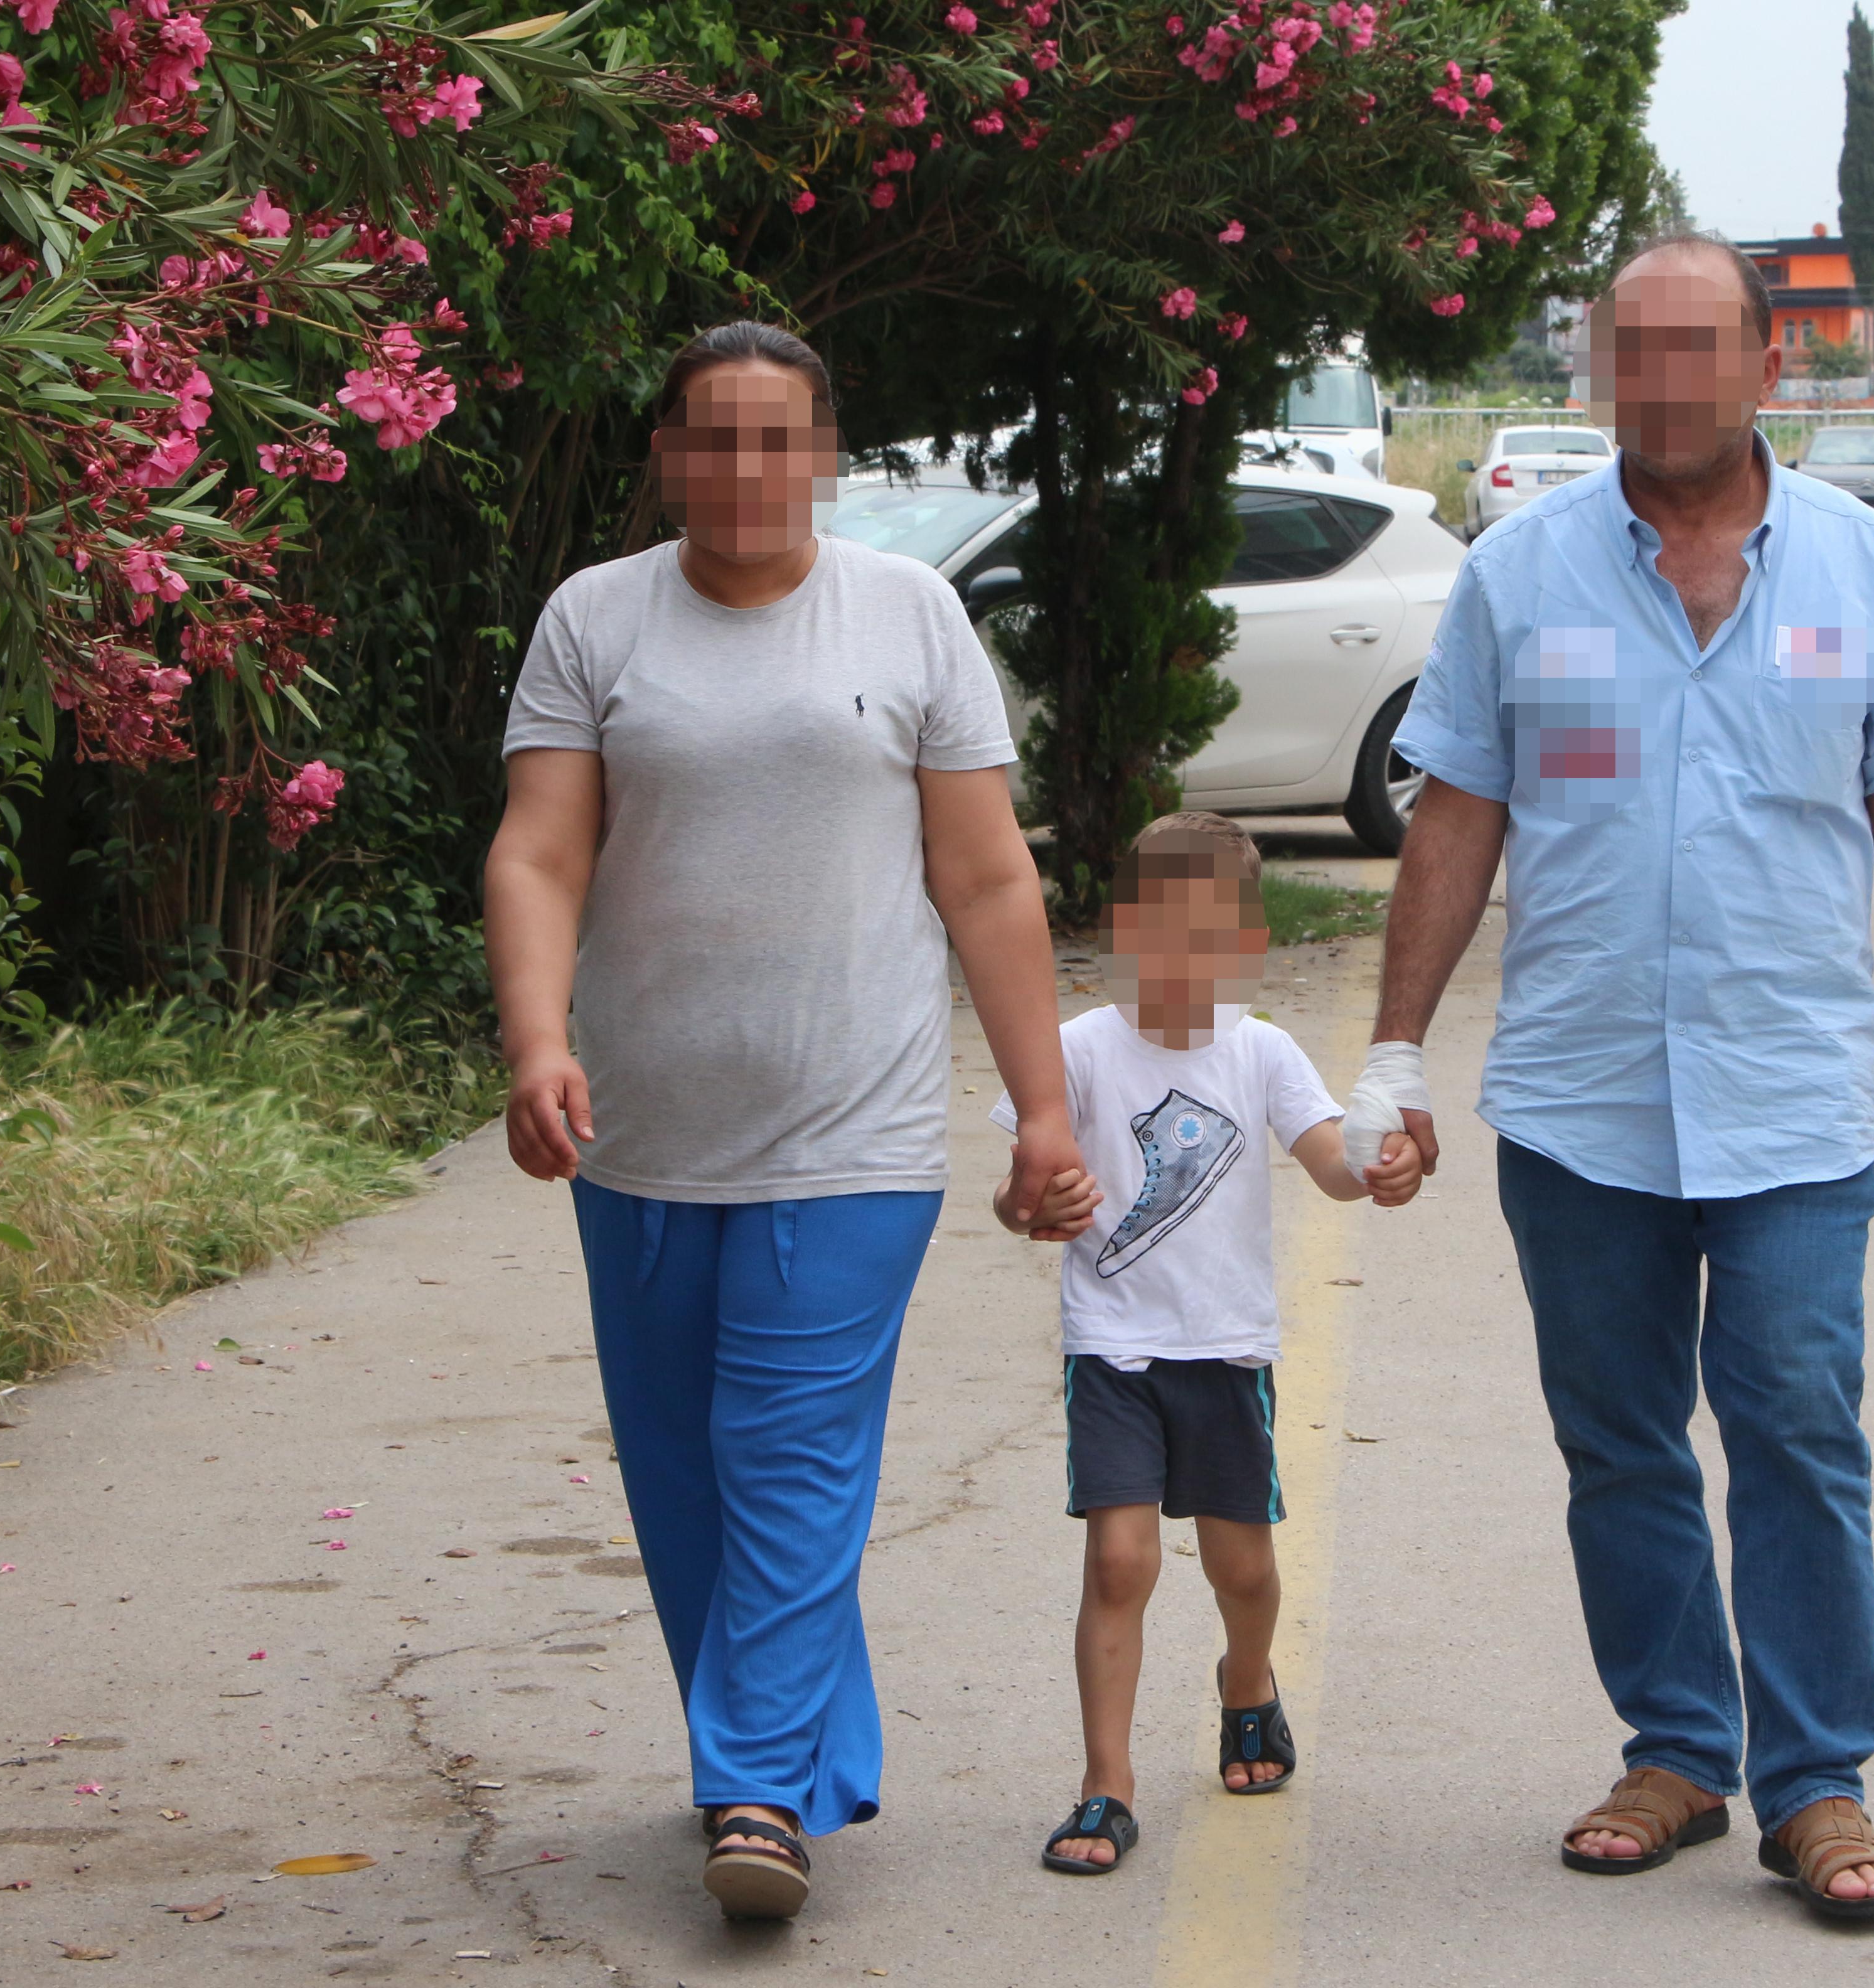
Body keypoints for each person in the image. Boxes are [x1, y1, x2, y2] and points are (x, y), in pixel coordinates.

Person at [1341, 233, 1874, 1921]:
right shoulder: (1519, 571)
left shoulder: (1860, 566)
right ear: (1599, 365)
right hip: (1581, 1100)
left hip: (1789, 1093)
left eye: (1699, 346)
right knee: (1619, 1444)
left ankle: (1816, 1780)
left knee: (1795, 1428)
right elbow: (1457, 814)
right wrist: (1396, 1054)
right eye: (1635, 346)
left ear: (1770, 364)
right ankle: (1681, 1751)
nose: (1665, 377)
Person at [481, 321, 1081, 1922]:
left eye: (778, 440)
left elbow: (985, 878)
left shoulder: (909, 612)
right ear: (667, 457)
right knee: (684, 1475)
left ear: (824, 457)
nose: (746, 471)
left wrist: (1042, 1110)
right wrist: (535, 1041)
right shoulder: (596, 618)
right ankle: (797, 1757)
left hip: (854, 1133)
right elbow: (540, 850)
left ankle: (751, 1789)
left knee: (788, 1454)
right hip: (644, 1133)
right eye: (713, 439)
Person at [988, 814, 1422, 1876]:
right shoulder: (1077, 1050)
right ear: (1122, 929)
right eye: (1160, 926)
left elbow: (1331, 1163)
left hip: (1226, 1352)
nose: (1181, 953)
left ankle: (1247, 1680)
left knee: (1244, 1568)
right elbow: (1018, 1194)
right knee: (1120, 1562)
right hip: (1113, 1350)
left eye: (1210, 932)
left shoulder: (1259, 1049)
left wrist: (1381, 1166)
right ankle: (1107, 1786)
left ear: (1245, 943)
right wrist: (1033, 1206)